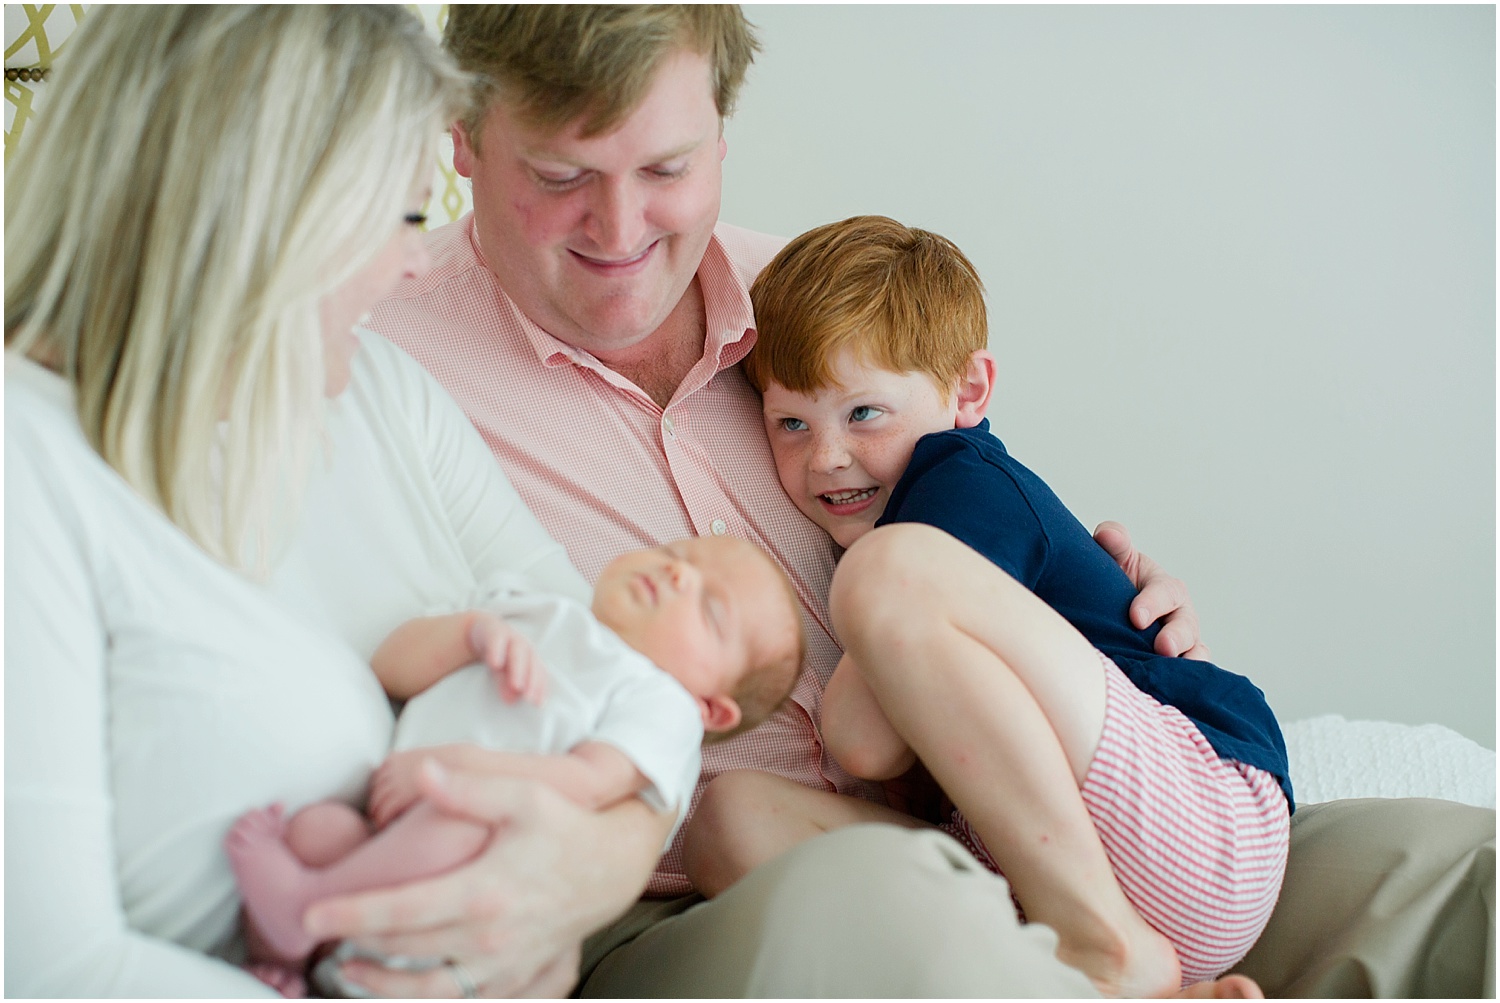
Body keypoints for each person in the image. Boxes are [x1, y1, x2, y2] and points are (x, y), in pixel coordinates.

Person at [310, 6, 1493, 999]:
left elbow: (996, 530)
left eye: (665, 171)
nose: (621, 231)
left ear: (721, 132)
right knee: (893, 914)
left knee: (1447, 868)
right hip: (708, 895)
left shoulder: (817, 303)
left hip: (1011, 828)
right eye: (562, 178)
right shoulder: (371, 362)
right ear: (460, 138)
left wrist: (1124, 608)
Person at [2, 6, 483, 995]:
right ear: (279, 213)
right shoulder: (20, 460)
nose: (418, 260)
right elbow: (46, 966)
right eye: (400, 215)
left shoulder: (155, 466)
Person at [684, 214, 1290, 997]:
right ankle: (1091, 979)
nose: (825, 456)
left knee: (886, 571)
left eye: (863, 412)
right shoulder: (893, 526)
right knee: (727, 823)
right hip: (1039, 863)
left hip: (1198, 817)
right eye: (791, 423)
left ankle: (1106, 947)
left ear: (967, 390)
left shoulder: (964, 481)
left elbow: (864, 741)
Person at [226, 534, 801, 991]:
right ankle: (290, 966)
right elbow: (390, 667)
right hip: (382, 829)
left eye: (710, 608)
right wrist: (470, 636)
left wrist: (461, 767)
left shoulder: (662, 703)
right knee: (316, 828)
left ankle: (302, 909)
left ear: (712, 710)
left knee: (461, 823)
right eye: (675, 554)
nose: (679, 573)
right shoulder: (530, 606)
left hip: (474, 863)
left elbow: (588, 782)